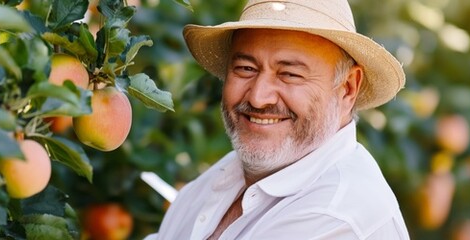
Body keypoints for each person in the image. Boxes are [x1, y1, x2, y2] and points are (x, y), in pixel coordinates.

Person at [150, 0, 410, 239]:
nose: (258, 98)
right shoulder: (226, 177)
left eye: (290, 74)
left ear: (347, 88)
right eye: (246, 69)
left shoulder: (336, 217)